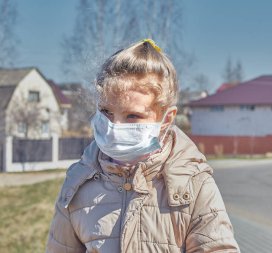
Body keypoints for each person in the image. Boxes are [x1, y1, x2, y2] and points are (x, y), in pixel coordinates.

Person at [46, 39, 240, 252]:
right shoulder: (78, 183)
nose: (114, 125)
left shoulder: (194, 184)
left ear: (166, 119)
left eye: (133, 115)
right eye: (106, 112)